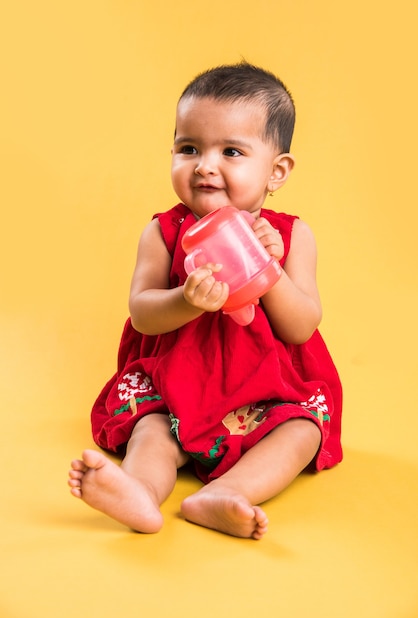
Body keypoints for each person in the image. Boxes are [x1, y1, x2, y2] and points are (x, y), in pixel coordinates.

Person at [68, 62, 342, 540]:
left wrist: (269, 271)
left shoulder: (291, 236)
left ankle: (227, 493)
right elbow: (143, 313)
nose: (204, 165)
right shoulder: (164, 232)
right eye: (188, 148)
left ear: (276, 171)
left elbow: (301, 326)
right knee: (151, 429)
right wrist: (186, 300)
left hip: (263, 395)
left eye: (231, 151)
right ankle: (139, 492)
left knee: (304, 429)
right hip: (175, 385)